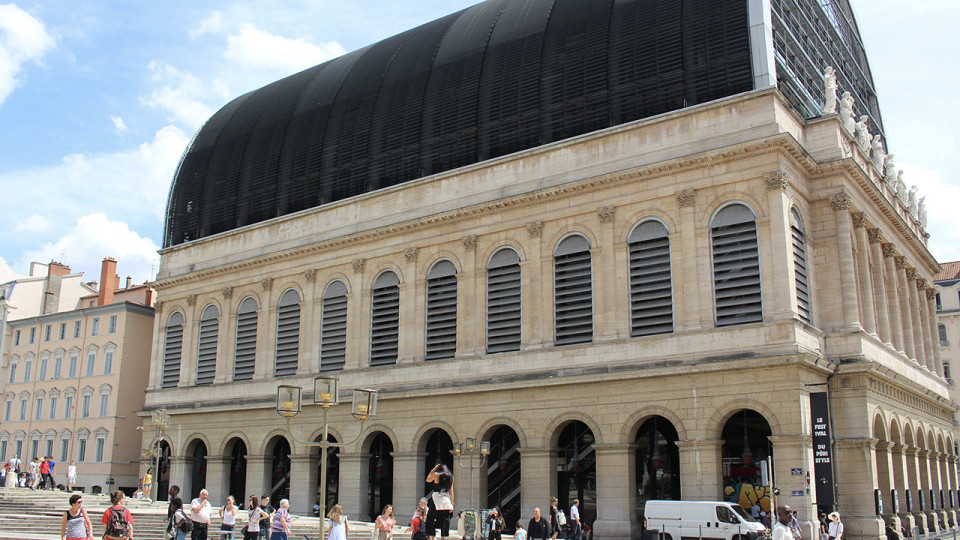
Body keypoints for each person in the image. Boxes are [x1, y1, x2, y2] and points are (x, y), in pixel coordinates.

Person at [425, 464, 454, 540]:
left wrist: (433, 470)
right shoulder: (450, 477)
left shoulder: (436, 475)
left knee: (430, 517)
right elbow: (451, 491)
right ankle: (443, 537)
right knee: (445, 518)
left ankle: (431, 536)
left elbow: (428, 479)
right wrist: (452, 503)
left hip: (436, 498)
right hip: (446, 498)